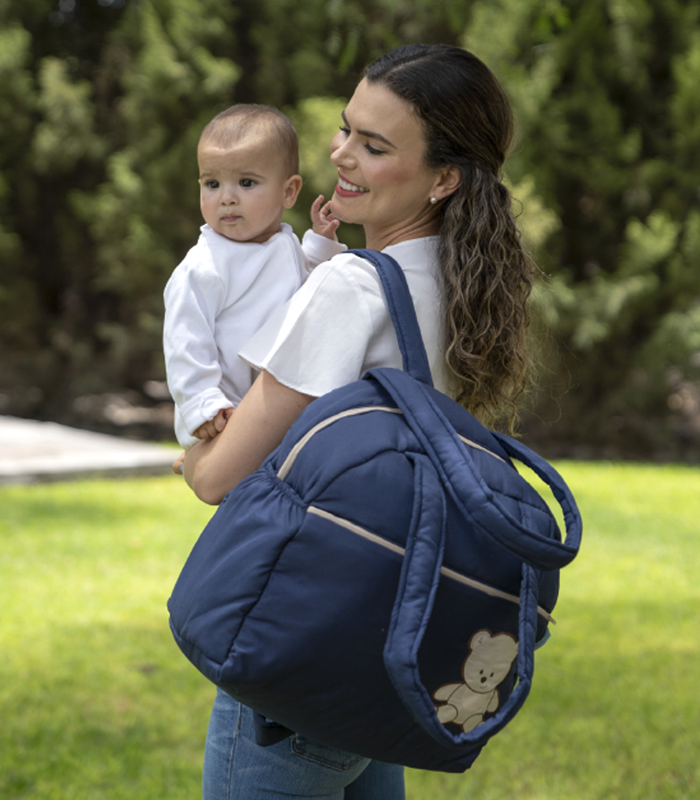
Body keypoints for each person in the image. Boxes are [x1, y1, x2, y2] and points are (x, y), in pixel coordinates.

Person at [180, 44, 537, 800]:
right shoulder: (463, 282)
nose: (341, 154)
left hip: (303, 656)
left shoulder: (349, 287)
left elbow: (218, 479)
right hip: (389, 651)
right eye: (347, 130)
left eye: (374, 146)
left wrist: (195, 446)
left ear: (444, 178)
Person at [163, 104, 344, 450]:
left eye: (246, 182)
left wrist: (321, 246)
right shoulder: (204, 265)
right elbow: (184, 339)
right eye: (212, 183)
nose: (227, 198)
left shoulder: (284, 245)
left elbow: (309, 294)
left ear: (289, 192)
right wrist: (203, 402)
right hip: (225, 411)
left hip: (280, 406)